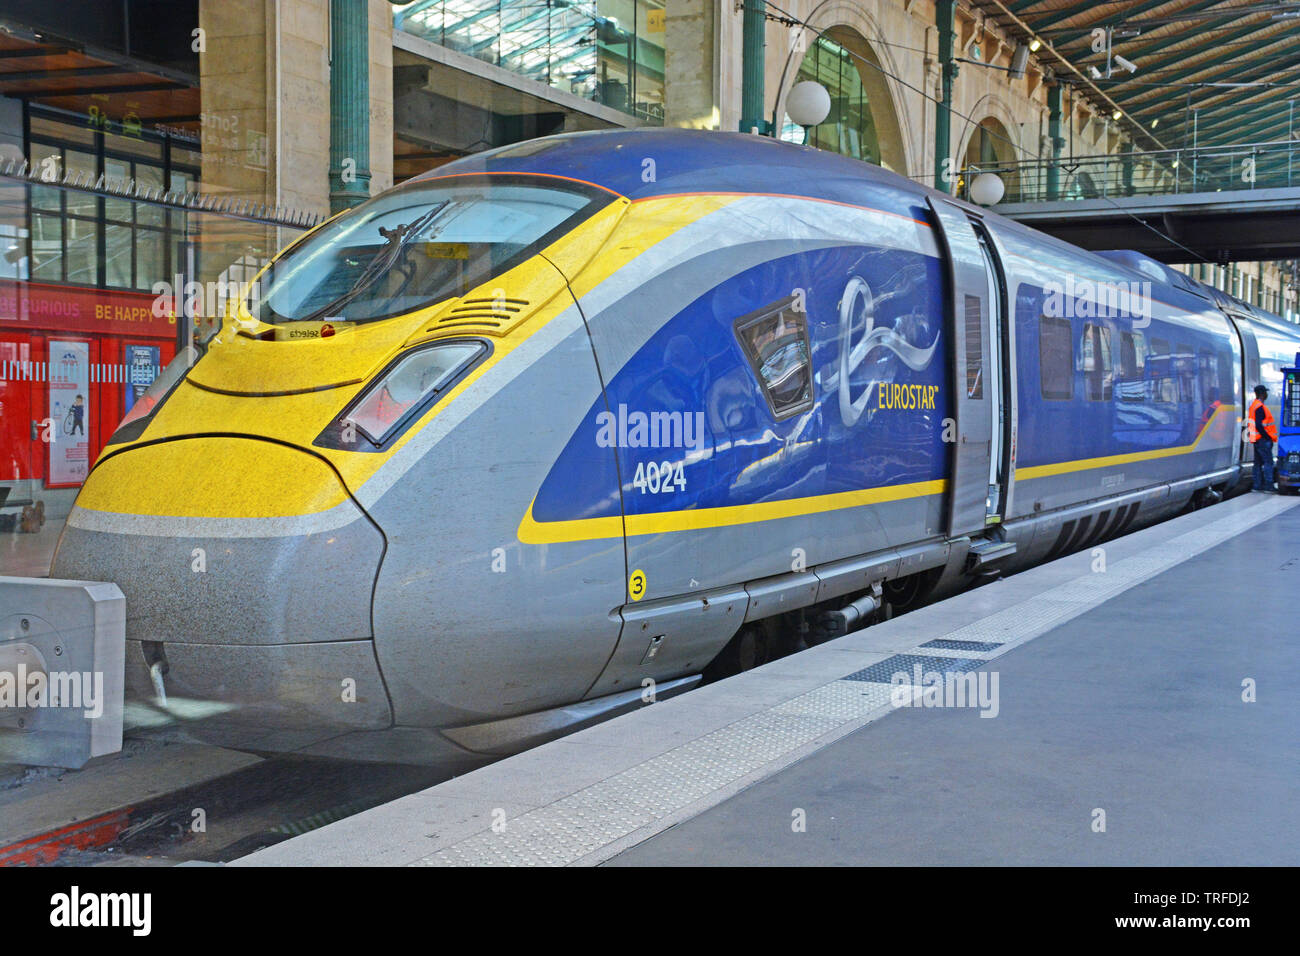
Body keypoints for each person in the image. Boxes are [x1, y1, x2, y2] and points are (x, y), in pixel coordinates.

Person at [1247, 384, 1277, 492]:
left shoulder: (1253, 406)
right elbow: (1259, 425)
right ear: (1262, 394)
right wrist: (1267, 437)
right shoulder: (1259, 407)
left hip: (1256, 439)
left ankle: (1257, 486)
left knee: (1258, 463)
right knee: (1268, 462)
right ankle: (1269, 486)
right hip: (1262, 440)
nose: (1266, 394)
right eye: (1265, 392)